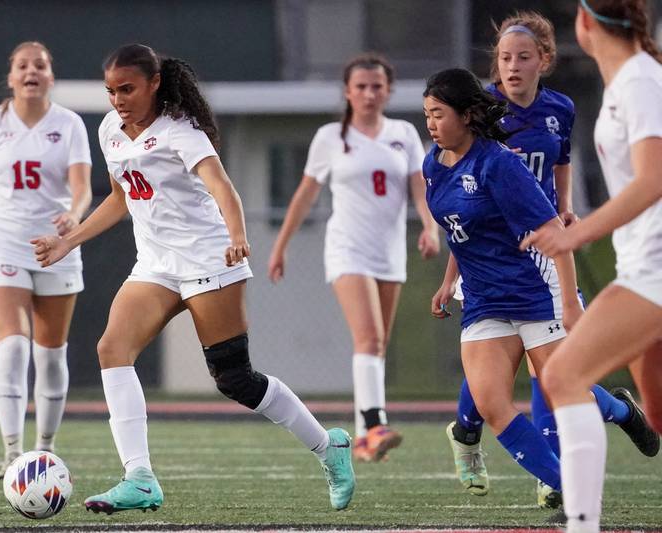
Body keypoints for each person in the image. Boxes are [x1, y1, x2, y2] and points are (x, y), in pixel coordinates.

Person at [31, 43, 355, 514]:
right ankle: (139, 477)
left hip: (209, 258)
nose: (118, 99)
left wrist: (238, 236)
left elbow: (222, 186)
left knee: (235, 380)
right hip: (157, 264)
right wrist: (69, 240)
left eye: (127, 89)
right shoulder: (108, 130)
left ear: (155, 83)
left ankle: (330, 448)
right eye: (111, 91)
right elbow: (123, 196)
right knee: (111, 349)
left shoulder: (181, 131)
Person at [441, 12, 659, 506]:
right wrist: (452, 272)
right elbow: (459, 200)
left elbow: (561, 164)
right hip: (493, 247)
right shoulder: (482, 111)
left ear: (546, 58)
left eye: (522, 57)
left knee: (553, 371)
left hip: (543, 249)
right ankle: (475, 437)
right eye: (503, 58)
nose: (512, 67)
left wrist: (564, 217)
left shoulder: (566, 106)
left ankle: (559, 472)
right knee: (512, 369)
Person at [521, 1, 662, 531]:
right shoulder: (631, 80)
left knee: (563, 374)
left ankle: (583, 523)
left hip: (654, 270)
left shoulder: (640, 83)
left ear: (582, 24)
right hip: (643, 267)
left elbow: (654, 179)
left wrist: (576, 232)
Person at [268, 53, 440, 463]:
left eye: (376, 86)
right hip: (347, 247)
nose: (368, 93)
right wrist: (281, 245)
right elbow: (306, 193)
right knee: (369, 338)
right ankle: (373, 424)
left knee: (377, 347)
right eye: (360, 86)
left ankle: (366, 435)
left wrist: (430, 227)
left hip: (389, 250)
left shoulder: (403, 133)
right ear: (347, 92)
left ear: (388, 90)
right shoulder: (331, 137)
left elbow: (421, 187)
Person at [423, 67, 586, 503]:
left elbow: (555, 231)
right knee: (492, 403)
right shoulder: (432, 165)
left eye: (439, 114)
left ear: (468, 114)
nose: (432, 124)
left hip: (532, 291)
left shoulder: (499, 163)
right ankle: (571, 491)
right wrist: (448, 282)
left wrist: (569, 302)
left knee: (567, 390)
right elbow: (462, 229)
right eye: (427, 115)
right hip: (483, 300)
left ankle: (622, 419)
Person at [0, 41, 93, 478]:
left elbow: (82, 187)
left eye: (40, 65)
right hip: (3, 242)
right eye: (23, 65)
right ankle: (11, 452)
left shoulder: (70, 125)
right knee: (13, 343)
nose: (31, 72)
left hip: (57, 246)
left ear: (51, 75)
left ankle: (44, 450)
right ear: (10, 77)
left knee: (50, 354)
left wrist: (74, 215)